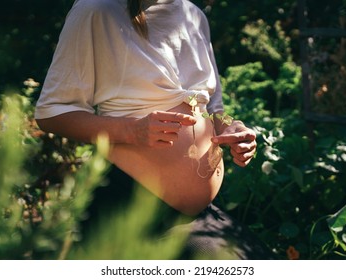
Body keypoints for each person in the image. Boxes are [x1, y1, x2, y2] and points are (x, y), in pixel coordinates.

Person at [35, 0, 273, 259]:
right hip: (133, 205)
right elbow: (52, 112)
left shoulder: (194, 16)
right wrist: (131, 131)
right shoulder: (97, 10)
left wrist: (233, 127)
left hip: (200, 214)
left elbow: (212, 109)